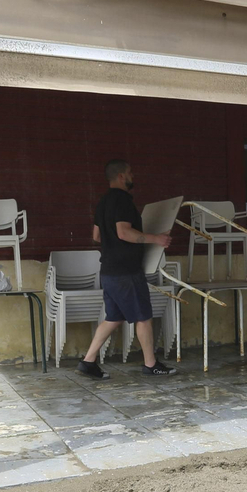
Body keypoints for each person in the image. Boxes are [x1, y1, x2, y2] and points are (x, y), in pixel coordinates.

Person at [78, 159, 175, 378]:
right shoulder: (122, 200)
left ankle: (88, 362)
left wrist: (113, 242)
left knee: (113, 318)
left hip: (109, 271)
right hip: (126, 271)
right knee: (143, 316)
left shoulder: (103, 202)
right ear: (121, 176)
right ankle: (151, 364)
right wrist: (156, 239)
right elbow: (123, 232)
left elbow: (96, 236)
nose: (133, 176)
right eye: (130, 172)